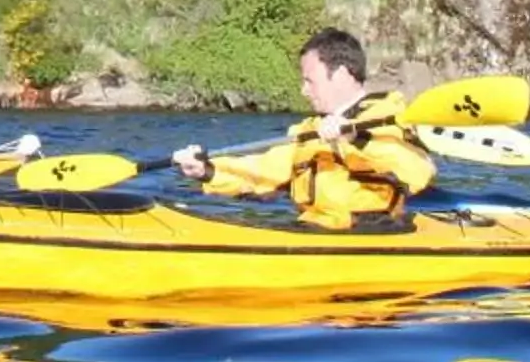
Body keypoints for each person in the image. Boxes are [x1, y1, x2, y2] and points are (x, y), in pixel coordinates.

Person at [170, 27, 434, 231]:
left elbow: (419, 170)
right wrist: (207, 171)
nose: (303, 90)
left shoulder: (387, 117)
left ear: (341, 74)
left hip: (371, 233)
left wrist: (356, 138)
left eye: (310, 81)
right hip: (314, 229)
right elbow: (261, 172)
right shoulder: (309, 131)